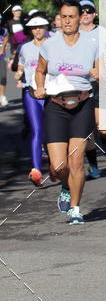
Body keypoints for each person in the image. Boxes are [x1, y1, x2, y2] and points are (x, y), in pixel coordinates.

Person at [34, 0, 99, 224]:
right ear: (59, 19)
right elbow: (40, 70)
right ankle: (64, 184)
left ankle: (75, 208)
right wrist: (39, 87)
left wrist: (98, 71)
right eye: (64, 17)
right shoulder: (49, 45)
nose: (68, 21)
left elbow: (101, 66)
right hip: (56, 107)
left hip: (82, 104)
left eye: (72, 16)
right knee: (59, 165)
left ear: (80, 18)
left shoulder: (92, 43)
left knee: (77, 161)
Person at [15, 14, 50, 185]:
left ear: (46, 28)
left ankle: (55, 166)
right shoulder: (25, 48)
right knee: (36, 131)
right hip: (32, 94)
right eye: (34, 28)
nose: (37, 30)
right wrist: (19, 72)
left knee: (50, 132)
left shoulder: (53, 46)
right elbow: (22, 63)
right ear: (30, 30)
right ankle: (36, 170)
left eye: (41, 27)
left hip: (51, 94)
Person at [78, 0, 106, 178]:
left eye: (89, 10)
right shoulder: (72, 34)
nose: (85, 14)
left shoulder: (102, 32)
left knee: (103, 128)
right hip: (81, 85)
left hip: (101, 83)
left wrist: (102, 69)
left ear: (94, 14)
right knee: (88, 129)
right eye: (81, 10)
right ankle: (94, 167)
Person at [0, 21, 8, 106]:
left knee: (2, 76)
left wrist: (3, 47)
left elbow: (6, 36)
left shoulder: (3, 30)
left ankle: (2, 96)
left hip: (1, 57)